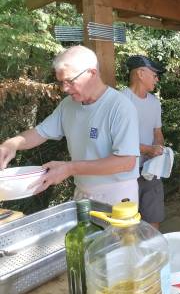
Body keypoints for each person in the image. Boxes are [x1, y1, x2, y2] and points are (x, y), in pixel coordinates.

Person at [0, 46, 140, 205]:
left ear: (91, 73)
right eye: (61, 82)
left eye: (70, 81)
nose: (65, 88)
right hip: (82, 191)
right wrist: (12, 144)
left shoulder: (120, 107)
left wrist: (70, 168)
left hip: (118, 195)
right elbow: (40, 132)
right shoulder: (68, 105)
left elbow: (126, 162)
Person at [121, 55, 165, 230]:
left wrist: (159, 151)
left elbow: (158, 132)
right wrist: (148, 150)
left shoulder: (154, 102)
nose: (157, 79)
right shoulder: (119, 101)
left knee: (154, 215)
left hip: (150, 169)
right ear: (140, 73)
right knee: (127, 222)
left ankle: (153, 252)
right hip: (124, 171)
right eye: (154, 74)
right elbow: (116, 141)